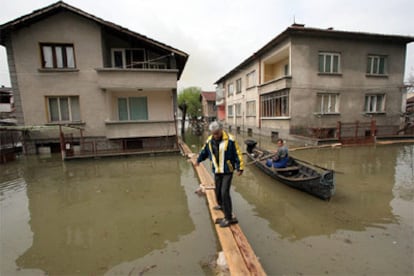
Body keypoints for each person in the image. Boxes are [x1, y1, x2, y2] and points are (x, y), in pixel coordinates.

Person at [195, 121, 244, 228]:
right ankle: (222, 205)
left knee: (224, 192)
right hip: (217, 170)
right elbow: (204, 152)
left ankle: (229, 218)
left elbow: (237, 153)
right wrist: (198, 160)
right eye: (213, 133)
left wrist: (240, 167)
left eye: (217, 133)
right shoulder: (209, 141)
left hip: (227, 170)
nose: (215, 135)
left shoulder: (230, 140)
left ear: (221, 130)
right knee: (217, 192)